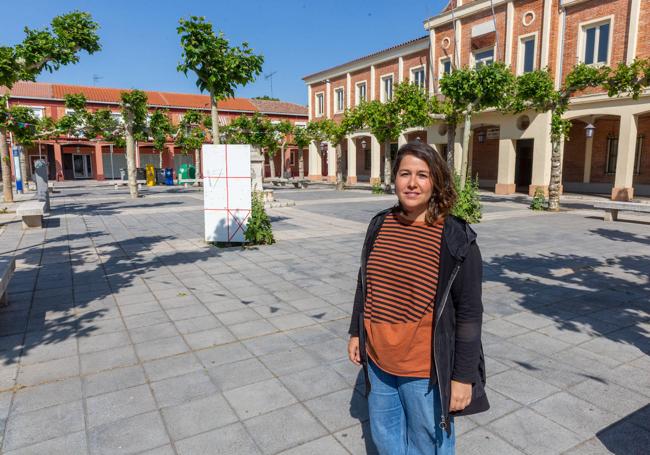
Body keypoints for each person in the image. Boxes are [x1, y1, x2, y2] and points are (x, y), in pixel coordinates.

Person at [347, 141, 489, 454]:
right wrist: (356, 331)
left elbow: (468, 313)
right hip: (378, 360)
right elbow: (365, 281)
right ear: (394, 178)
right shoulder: (380, 224)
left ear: (436, 181)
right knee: (386, 439)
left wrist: (463, 378)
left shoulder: (456, 237)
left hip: (423, 367)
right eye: (405, 173)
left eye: (422, 175)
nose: (412, 183)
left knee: (428, 444)